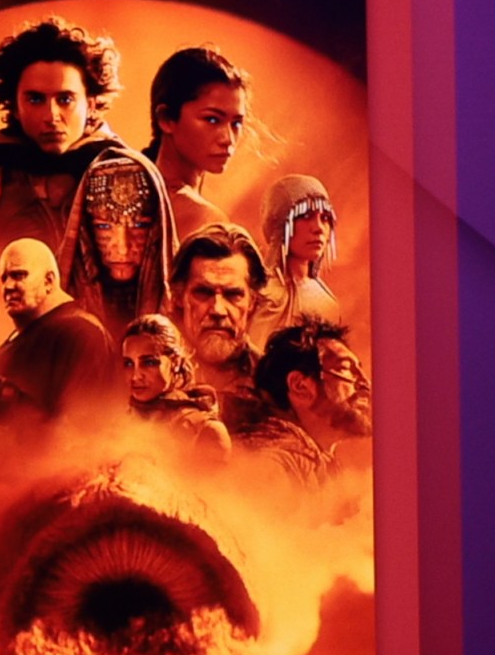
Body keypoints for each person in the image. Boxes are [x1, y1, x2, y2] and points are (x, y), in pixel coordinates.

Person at [0, 16, 124, 271]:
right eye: (35, 100)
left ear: (89, 103)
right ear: (14, 105)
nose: (51, 116)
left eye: (65, 99)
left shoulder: (123, 170)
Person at [0, 238, 117, 424]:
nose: (7, 287)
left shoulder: (81, 332)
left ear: (49, 281)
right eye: (4, 278)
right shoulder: (24, 336)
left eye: (18, 275)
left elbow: (77, 429)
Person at [239, 319, 374, 486]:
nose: (365, 384)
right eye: (345, 368)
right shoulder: (271, 468)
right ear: (300, 386)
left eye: (359, 370)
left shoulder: (321, 466)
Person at [168, 222, 275, 428]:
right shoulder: (147, 375)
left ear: (252, 302)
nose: (217, 309)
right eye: (203, 292)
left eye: (233, 294)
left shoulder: (274, 388)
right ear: (179, 297)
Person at [60, 145, 175, 333]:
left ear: (157, 229)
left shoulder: (188, 303)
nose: (122, 247)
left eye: (139, 226)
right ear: (86, 232)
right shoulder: (52, 308)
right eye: (104, 227)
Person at [145, 45, 253, 238]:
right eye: (212, 119)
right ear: (166, 119)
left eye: (236, 123)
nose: (228, 139)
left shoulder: (137, 191)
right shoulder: (205, 220)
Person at [119, 314, 229, 453]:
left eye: (149, 362)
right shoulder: (118, 425)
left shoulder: (206, 432)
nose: (135, 376)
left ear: (175, 363)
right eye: (129, 363)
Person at [261, 173, 346, 328]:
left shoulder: (327, 302)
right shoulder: (259, 297)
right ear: (280, 225)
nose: (319, 228)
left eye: (325, 218)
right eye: (306, 216)